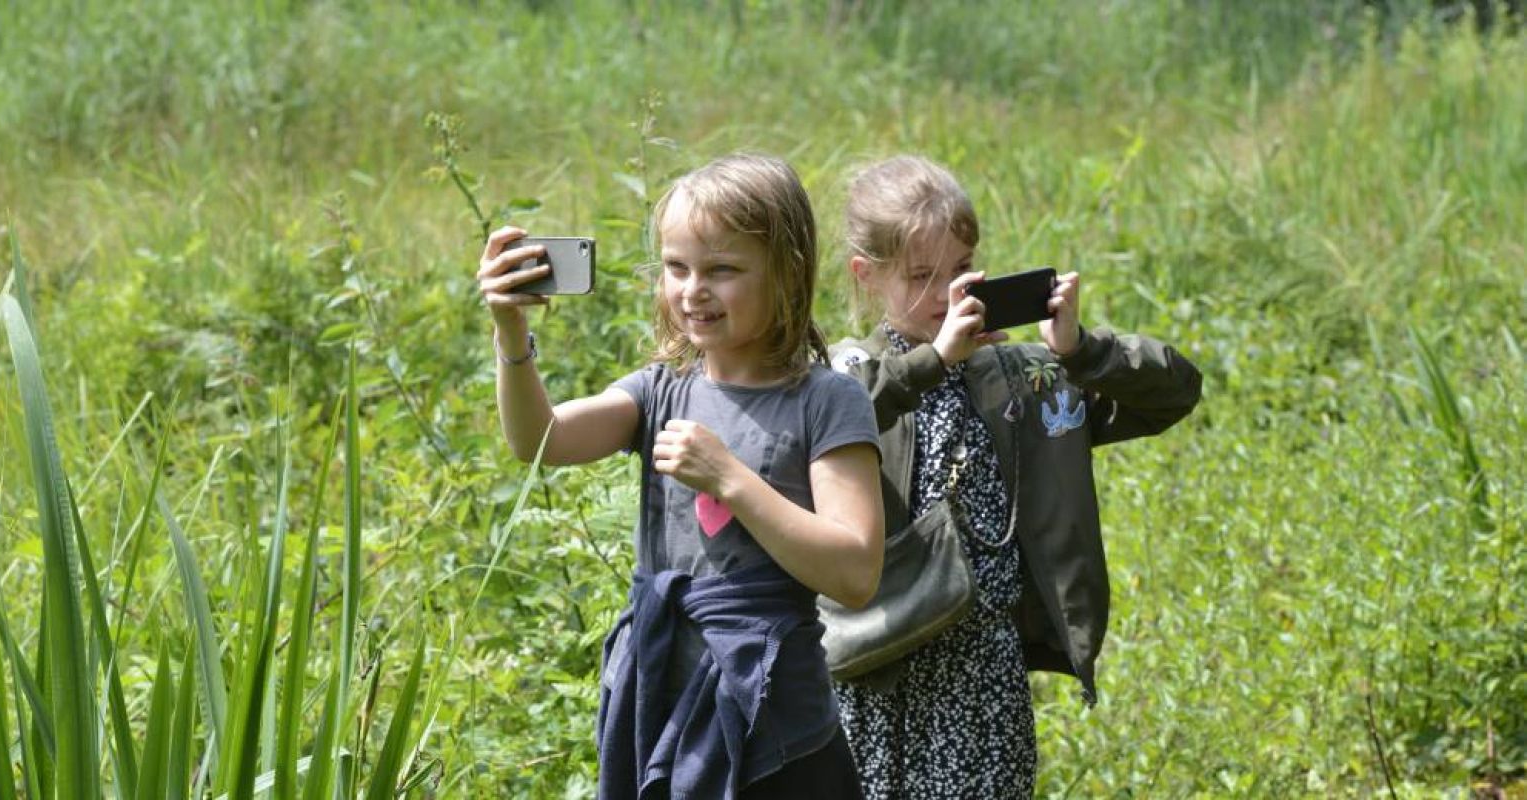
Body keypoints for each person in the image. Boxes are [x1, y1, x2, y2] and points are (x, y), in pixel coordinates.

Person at [478, 153, 884, 800]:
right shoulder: (658, 391)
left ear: (787, 271)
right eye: (676, 268)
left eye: (722, 270)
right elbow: (541, 439)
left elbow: (854, 571)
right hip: (660, 699)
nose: (692, 290)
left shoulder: (825, 401)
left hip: (778, 725)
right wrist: (510, 332)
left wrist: (731, 479)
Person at [830, 155, 1203, 799]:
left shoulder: (1023, 377)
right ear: (867, 276)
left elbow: (1172, 393)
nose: (950, 293)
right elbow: (817, 427)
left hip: (984, 677)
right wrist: (932, 361)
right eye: (923, 276)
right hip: (882, 668)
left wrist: (1081, 351)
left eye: (961, 270)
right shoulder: (850, 371)